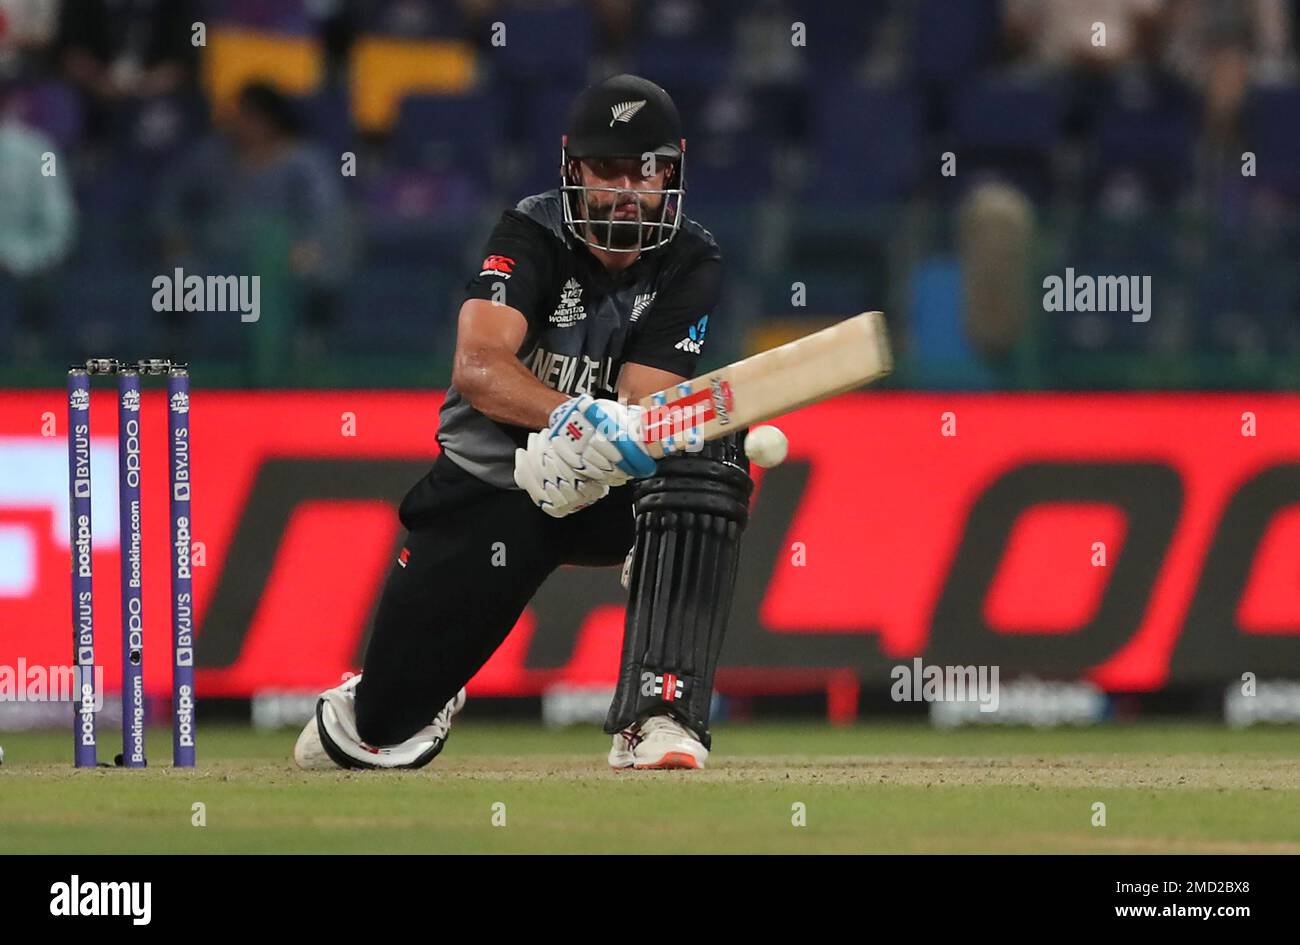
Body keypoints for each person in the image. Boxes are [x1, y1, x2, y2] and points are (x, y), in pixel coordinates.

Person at [294, 74, 750, 772]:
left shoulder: (691, 257)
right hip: (496, 485)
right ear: (574, 169)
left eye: (648, 170)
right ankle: (401, 695)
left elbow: (645, 400)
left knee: (710, 448)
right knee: (375, 737)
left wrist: (601, 442)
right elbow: (478, 366)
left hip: (605, 484)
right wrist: (568, 415)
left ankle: (660, 715)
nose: (629, 189)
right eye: (609, 170)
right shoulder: (530, 233)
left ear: (674, 170)